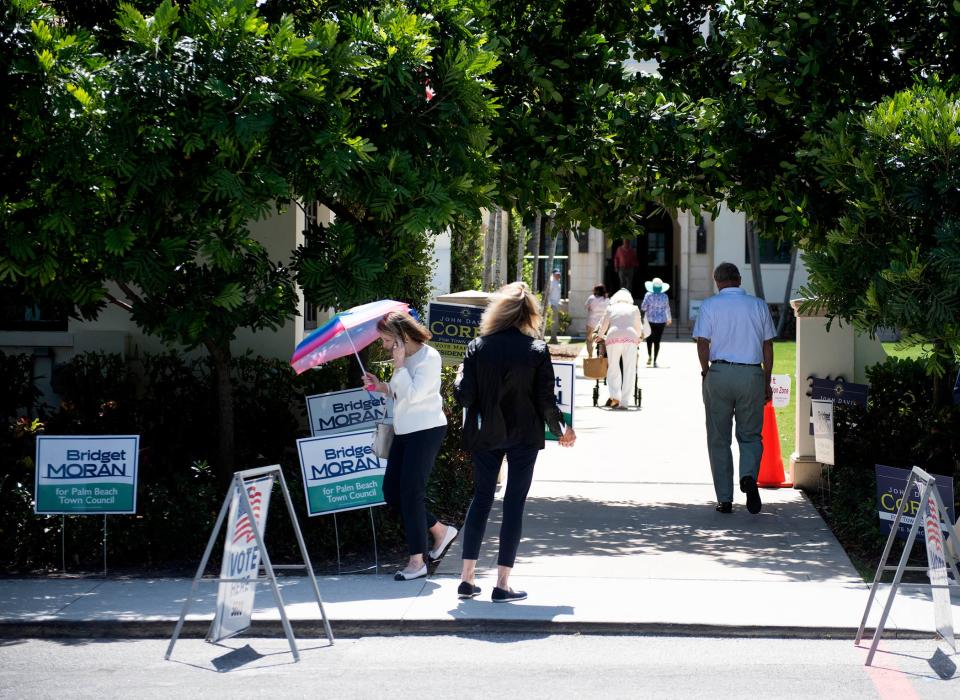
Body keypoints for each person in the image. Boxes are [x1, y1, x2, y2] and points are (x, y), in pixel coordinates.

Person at [454, 282, 576, 602]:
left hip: (486, 433)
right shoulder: (536, 350)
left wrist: (459, 375)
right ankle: (502, 583)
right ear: (530, 315)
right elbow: (545, 400)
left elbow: (464, 395)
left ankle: (467, 579)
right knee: (514, 503)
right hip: (524, 435)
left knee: (481, 499)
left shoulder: (478, 347)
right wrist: (561, 429)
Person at [362, 312, 459, 581]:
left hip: (426, 430)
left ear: (400, 338)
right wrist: (380, 386)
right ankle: (440, 531)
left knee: (412, 493)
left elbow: (415, 395)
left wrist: (400, 365)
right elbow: (399, 392)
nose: (382, 345)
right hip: (404, 431)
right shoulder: (402, 361)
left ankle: (418, 560)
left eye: (385, 340)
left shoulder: (429, 357)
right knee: (392, 492)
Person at [693, 263, 776, 515]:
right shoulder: (758, 305)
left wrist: (706, 372)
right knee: (750, 434)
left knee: (718, 438)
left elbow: (703, 343)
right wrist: (766, 379)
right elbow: (768, 347)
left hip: (719, 372)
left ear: (716, 281)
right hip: (751, 373)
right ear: (739, 279)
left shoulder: (709, 305)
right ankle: (748, 475)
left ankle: (725, 499)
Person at [595, 288, 643, 410]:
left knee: (613, 367)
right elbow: (638, 327)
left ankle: (615, 396)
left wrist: (599, 336)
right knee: (629, 369)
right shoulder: (634, 308)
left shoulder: (611, 308)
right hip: (630, 337)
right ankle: (625, 401)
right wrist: (638, 338)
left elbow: (604, 325)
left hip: (613, 337)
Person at [640, 277, 672, 367]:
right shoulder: (665, 296)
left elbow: (643, 307)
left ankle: (649, 356)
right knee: (657, 341)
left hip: (650, 320)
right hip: (661, 321)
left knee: (649, 339)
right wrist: (669, 319)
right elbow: (667, 308)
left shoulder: (648, 295)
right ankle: (655, 360)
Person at [584, 284, 609, 358]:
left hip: (591, 322)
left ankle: (590, 356)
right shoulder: (607, 300)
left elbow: (586, 307)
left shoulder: (591, 298)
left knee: (589, 340)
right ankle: (600, 356)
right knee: (601, 341)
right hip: (602, 323)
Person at [548, 268, 562, 343]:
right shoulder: (551, 282)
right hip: (552, 305)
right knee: (552, 322)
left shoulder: (557, 282)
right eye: (557, 274)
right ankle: (553, 338)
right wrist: (549, 305)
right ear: (553, 274)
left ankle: (553, 337)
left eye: (559, 274)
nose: (558, 275)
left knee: (555, 322)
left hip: (555, 304)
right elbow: (548, 294)